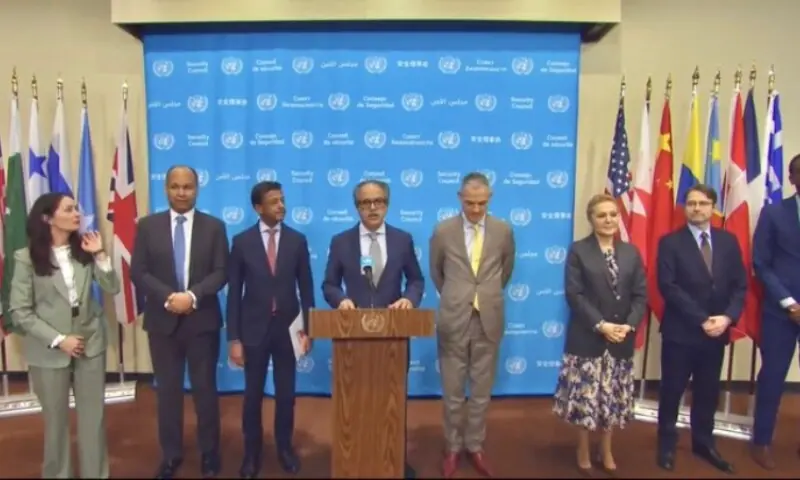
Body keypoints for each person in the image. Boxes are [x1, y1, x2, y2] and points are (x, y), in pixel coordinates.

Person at [8, 192, 120, 478]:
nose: (77, 214)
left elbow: (112, 288)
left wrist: (100, 254)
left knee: (93, 418)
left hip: (90, 342)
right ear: (48, 218)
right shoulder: (26, 258)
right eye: (69, 210)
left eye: (76, 209)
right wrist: (60, 340)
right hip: (49, 349)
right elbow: (20, 312)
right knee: (56, 422)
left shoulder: (84, 252)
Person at [130, 165, 229, 479]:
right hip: (162, 323)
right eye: (175, 186)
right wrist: (170, 297)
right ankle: (171, 455)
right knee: (168, 394)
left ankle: (209, 453)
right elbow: (138, 271)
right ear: (166, 189)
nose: (182, 192)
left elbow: (221, 272)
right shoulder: (148, 226)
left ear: (197, 189)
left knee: (205, 392)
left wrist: (192, 296)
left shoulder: (214, 227)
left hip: (202, 322)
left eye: (188, 186)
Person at [322, 179, 424, 479]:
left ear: (387, 204)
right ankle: (355, 458)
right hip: (353, 338)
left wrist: (408, 299)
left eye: (378, 201)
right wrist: (340, 300)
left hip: (394, 335)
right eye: (365, 203)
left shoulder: (402, 240)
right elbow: (329, 284)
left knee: (392, 399)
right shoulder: (341, 242)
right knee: (356, 401)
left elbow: (416, 280)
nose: (372, 208)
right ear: (357, 207)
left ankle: (393, 458)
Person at [552, 193, 647, 476]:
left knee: (611, 401)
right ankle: (582, 448)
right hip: (588, 337)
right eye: (602, 215)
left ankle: (606, 449)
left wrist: (628, 325)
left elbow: (640, 295)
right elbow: (575, 295)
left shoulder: (631, 252)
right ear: (591, 219)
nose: (608, 220)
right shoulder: (579, 251)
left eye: (613, 214)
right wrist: (601, 325)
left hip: (620, 339)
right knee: (586, 400)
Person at [429, 172, 515, 478]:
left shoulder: (503, 230)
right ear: (459, 198)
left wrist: (484, 296)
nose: (476, 209)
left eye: (481, 203)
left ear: (490, 199)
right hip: (454, 319)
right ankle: (453, 447)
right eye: (470, 203)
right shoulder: (443, 231)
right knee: (453, 391)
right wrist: (458, 296)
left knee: (481, 391)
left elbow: (506, 270)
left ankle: (475, 445)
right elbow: (437, 272)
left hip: (488, 319)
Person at [655, 184, 746, 473]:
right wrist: (702, 319)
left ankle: (704, 443)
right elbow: (668, 287)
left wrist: (727, 318)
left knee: (708, 392)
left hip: (717, 333)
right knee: (672, 391)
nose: (697, 208)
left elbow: (740, 285)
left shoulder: (728, 241)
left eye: (703, 203)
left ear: (713, 208)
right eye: (691, 203)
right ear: (685, 207)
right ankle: (666, 444)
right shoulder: (670, 242)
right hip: (681, 333)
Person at [226, 181, 314, 478]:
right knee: (252, 396)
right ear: (257, 207)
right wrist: (234, 338)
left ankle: (284, 449)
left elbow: (306, 288)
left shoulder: (297, 241)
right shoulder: (242, 242)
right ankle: (251, 454)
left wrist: (309, 329)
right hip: (253, 329)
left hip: (289, 329)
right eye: (274, 201)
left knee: (286, 394)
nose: (281, 206)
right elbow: (234, 293)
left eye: (282, 200)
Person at [750, 154, 800, 469]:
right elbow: (761, 263)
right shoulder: (774, 213)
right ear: (792, 178)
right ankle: (761, 441)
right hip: (781, 312)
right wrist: (789, 302)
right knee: (772, 377)